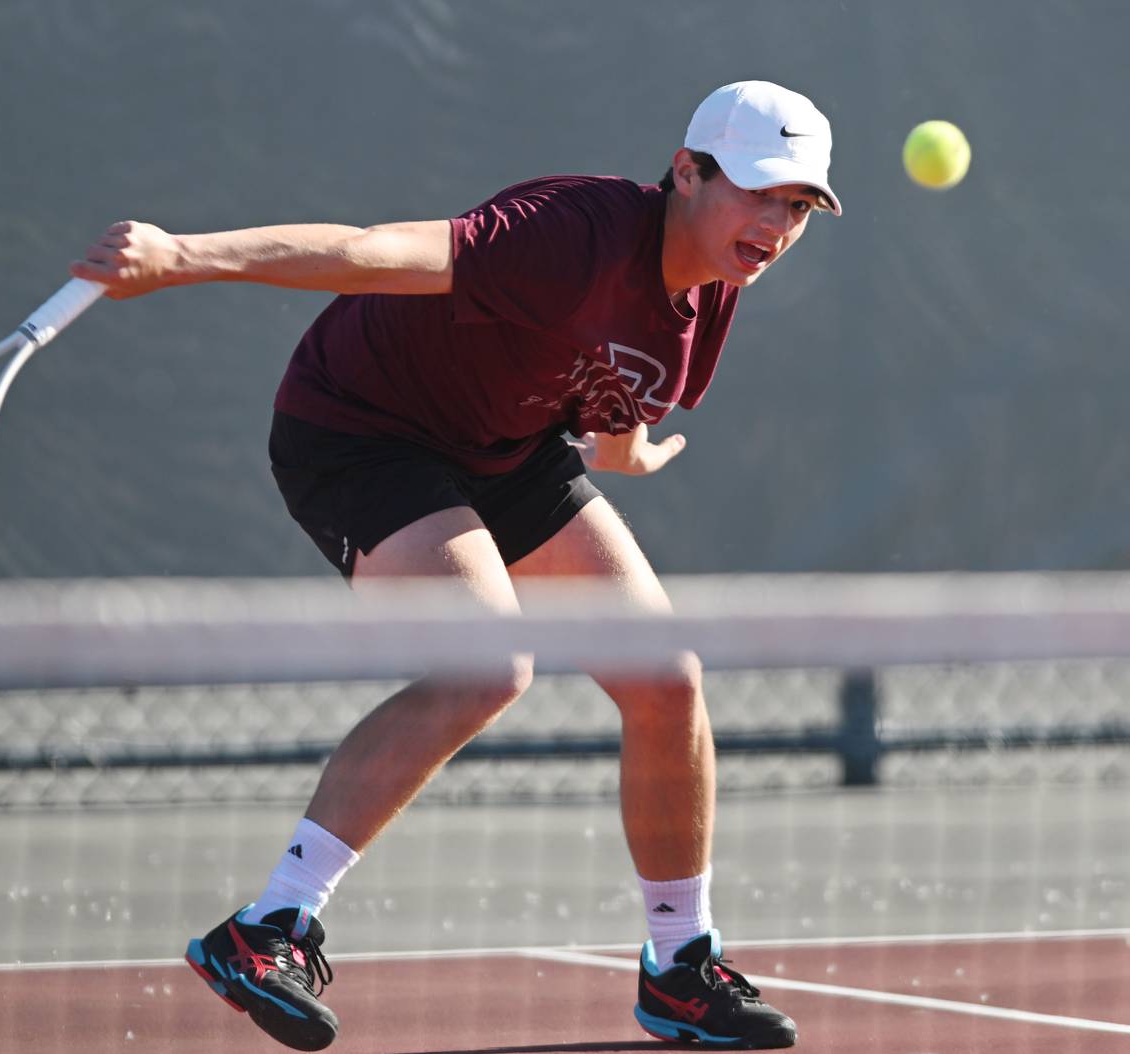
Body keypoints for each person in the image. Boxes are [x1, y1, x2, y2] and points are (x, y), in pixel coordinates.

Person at [72, 80, 841, 1051]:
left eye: (799, 206)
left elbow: (613, 395)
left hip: (507, 447)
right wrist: (183, 257)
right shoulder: (569, 231)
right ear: (686, 172)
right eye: (760, 193)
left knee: (665, 677)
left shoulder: (709, 298)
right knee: (487, 666)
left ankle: (679, 967)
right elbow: (369, 252)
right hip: (364, 431)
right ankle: (265, 929)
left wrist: (629, 449)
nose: (776, 223)